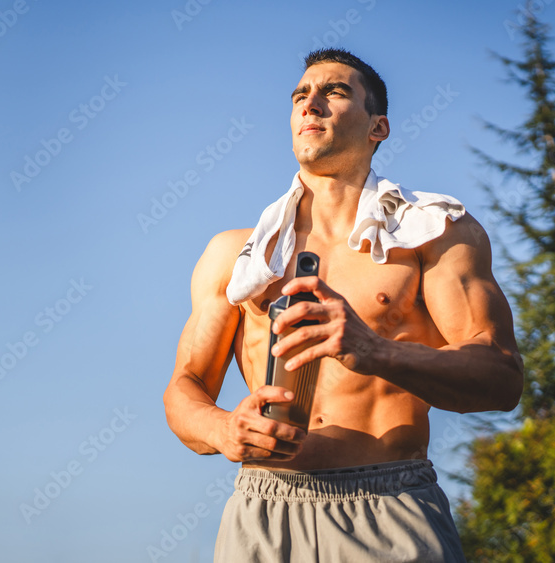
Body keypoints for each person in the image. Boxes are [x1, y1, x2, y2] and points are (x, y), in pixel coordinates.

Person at [162, 48, 524, 563]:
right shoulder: (235, 255)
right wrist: (222, 430)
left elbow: (502, 379)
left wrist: (372, 350)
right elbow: (183, 390)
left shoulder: (434, 234)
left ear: (379, 127)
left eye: (335, 92)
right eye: (300, 96)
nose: (311, 104)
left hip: (390, 505)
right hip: (263, 510)